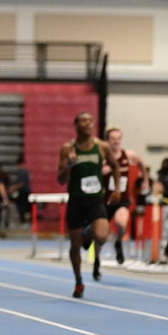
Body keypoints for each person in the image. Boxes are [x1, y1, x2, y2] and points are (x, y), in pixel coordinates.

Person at [57, 112, 120, 298]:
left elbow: (115, 166)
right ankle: (78, 281)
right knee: (75, 245)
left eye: (90, 121)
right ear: (75, 125)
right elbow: (60, 179)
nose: (87, 124)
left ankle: (88, 233)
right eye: (83, 121)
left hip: (95, 200)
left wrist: (117, 189)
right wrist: (69, 165)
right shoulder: (68, 148)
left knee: (101, 236)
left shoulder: (101, 146)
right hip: (76, 201)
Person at [102, 126, 145, 264]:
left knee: (121, 223)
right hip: (105, 200)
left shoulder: (128, 155)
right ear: (107, 140)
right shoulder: (103, 157)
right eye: (113, 139)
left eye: (118, 138)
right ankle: (96, 258)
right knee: (100, 234)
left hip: (122, 199)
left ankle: (118, 242)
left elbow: (141, 163)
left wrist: (144, 179)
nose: (116, 141)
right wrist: (102, 170)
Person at [8, 154, 31, 224]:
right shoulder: (25, 171)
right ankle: (24, 218)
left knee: (21, 206)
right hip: (25, 191)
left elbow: (21, 184)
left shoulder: (22, 172)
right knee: (24, 206)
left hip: (23, 192)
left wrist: (12, 188)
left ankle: (23, 219)